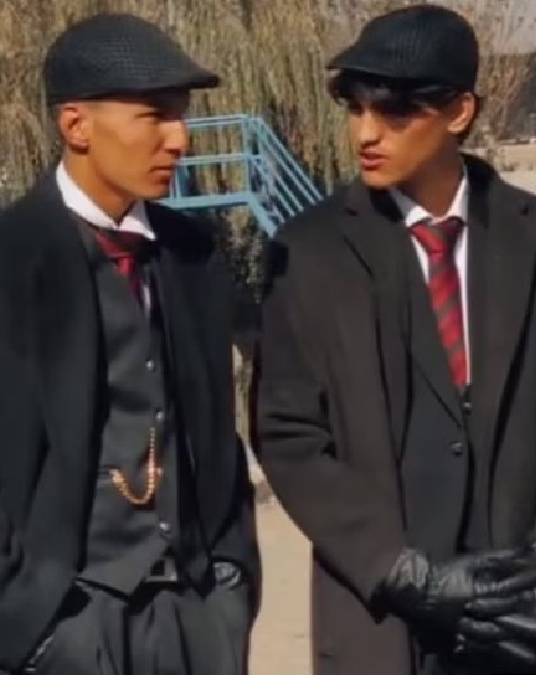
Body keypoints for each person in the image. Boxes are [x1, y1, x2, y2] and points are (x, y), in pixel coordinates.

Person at [0, 12, 260, 675]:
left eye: (181, 114)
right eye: (154, 115)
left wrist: (230, 586)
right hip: (56, 630)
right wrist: (29, 631)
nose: (179, 138)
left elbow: (213, 437)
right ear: (76, 125)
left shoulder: (194, 254)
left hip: (193, 624)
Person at [255, 5, 536, 675]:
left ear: (460, 112)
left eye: (394, 112)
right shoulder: (310, 252)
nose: (366, 132)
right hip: (382, 618)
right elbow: (288, 435)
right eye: (355, 108)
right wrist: (399, 571)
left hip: (519, 614)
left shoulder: (528, 235)